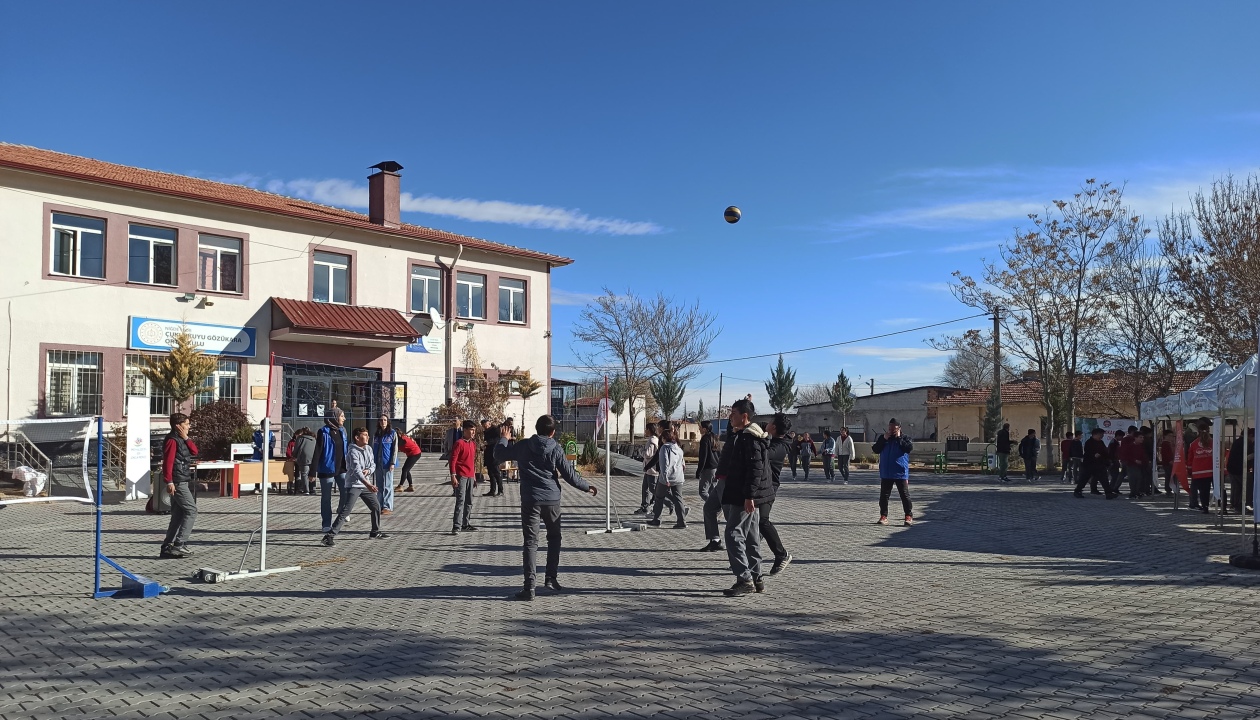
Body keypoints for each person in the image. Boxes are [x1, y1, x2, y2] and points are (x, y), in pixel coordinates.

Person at [495, 414, 597, 600]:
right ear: (553, 432)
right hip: (551, 500)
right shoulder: (556, 448)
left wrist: (504, 439)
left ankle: (529, 588)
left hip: (531, 499)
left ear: (536, 428)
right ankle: (551, 578)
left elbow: (499, 455)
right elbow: (569, 474)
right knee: (554, 538)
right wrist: (586, 487)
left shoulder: (524, 445)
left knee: (530, 542)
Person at [717, 398, 771, 596]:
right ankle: (757, 578)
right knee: (750, 537)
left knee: (733, 534)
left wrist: (749, 496)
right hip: (744, 493)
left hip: (744, 495)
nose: (730, 417)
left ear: (744, 416)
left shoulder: (750, 439)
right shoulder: (742, 435)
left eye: (734, 414)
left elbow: (755, 469)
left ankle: (744, 579)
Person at [321, 427, 387, 546]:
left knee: (376, 506)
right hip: (354, 485)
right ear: (357, 438)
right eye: (365, 435)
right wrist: (369, 484)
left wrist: (369, 471)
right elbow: (356, 471)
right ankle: (329, 536)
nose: (368, 437)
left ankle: (374, 531)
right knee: (346, 511)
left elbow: (373, 464)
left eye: (368, 434)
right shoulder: (352, 452)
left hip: (366, 484)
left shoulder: (369, 449)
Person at [159, 413, 199, 559]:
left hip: (181, 480)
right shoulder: (172, 441)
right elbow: (168, 462)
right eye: (187, 424)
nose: (189, 426)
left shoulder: (181, 439)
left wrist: (186, 438)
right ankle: (179, 545)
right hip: (177, 482)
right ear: (178, 425)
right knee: (191, 511)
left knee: (178, 514)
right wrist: (169, 481)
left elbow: (195, 451)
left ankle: (167, 546)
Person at [762, 413, 794, 576]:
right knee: (754, 525)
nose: (765, 424)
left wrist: (762, 438)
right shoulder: (775, 438)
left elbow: (763, 454)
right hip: (759, 487)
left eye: (769, 423)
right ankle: (747, 559)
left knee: (762, 521)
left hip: (769, 488)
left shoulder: (779, 446)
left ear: (773, 427)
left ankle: (781, 554)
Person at [309, 407, 349, 533]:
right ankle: (326, 523)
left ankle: (341, 510)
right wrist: (312, 472)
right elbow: (317, 451)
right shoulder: (323, 432)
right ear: (335, 417)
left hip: (342, 468)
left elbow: (346, 450)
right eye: (342, 416)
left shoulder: (342, 431)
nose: (344, 419)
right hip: (327, 468)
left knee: (346, 492)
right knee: (326, 498)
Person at [874, 418, 914, 525]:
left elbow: (909, 448)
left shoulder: (905, 438)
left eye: (894, 429)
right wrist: (883, 439)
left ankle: (908, 516)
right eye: (890, 428)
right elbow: (875, 449)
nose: (891, 431)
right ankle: (883, 516)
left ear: (899, 428)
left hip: (900, 472)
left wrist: (899, 438)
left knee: (904, 495)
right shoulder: (884, 438)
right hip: (886, 472)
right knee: (884, 496)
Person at [648, 425, 688, 528]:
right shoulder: (679, 449)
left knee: (659, 497)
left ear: (664, 438)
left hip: (667, 477)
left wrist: (665, 477)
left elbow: (664, 463)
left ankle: (656, 519)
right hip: (678, 477)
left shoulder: (664, 448)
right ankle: (681, 521)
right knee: (678, 498)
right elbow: (683, 464)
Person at [697, 421, 726, 552]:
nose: (699, 429)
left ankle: (717, 509)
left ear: (704, 429)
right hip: (716, 468)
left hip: (708, 468)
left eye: (699, 427)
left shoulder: (705, 439)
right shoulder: (715, 438)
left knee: (703, 491)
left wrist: (699, 470)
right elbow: (720, 455)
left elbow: (703, 456)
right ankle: (715, 540)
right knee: (713, 491)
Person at [448, 420, 479, 535]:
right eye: (471, 430)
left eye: (474, 431)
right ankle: (456, 526)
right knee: (460, 501)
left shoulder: (473, 443)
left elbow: (472, 461)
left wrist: (474, 476)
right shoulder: (459, 443)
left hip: (470, 476)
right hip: (461, 476)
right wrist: (453, 475)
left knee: (469, 501)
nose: (473, 433)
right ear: (465, 430)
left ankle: (465, 524)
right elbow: (453, 460)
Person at [372, 415, 399, 515]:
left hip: (387, 462)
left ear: (388, 422)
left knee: (388, 485)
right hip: (377, 462)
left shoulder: (392, 433)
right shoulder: (376, 434)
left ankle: (387, 506)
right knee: (379, 485)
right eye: (381, 420)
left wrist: (392, 462)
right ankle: (379, 504)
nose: (383, 422)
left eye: (385, 420)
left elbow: (395, 449)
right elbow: (372, 447)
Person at [1075, 427, 1109, 498]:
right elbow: (1088, 453)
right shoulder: (1089, 442)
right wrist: (1094, 455)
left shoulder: (1101, 442)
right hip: (1089, 464)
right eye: (1101, 435)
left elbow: (1105, 451)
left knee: (1104, 479)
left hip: (1099, 464)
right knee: (1084, 478)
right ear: (1095, 434)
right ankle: (1078, 491)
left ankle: (1108, 493)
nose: (1102, 436)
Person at [1188, 420, 1213, 513]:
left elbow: (1190, 458)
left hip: (1198, 471)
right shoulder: (1213, 442)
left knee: (1202, 491)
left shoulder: (1193, 444)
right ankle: (1223, 507)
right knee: (1211, 489)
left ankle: (1205, 507)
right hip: (1210, 470)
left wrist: (1189, 470)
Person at [634, 423, 660, 515]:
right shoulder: (653, 440)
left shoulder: (652, 441)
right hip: (648, 469)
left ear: (649, 430)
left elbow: (648, 454)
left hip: (651, 469)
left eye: (646, 429)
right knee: (645, 488)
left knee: (652, 489)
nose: (645, 431)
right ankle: (645, 506)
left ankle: (668, 503)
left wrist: (641, 451)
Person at [1226, 429, 1253, 514]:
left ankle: (1235, 504)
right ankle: (1240, 505)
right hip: (1240, 468)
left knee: (1236, 487)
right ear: (1250, 435)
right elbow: (1247, 457)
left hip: (1232, 468)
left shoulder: (1237, 441)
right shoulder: (1246, 443)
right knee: (1244, 488)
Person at [289, 428, 316, 495]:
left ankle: (306, 490)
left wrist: (294, 456)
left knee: (304, 474)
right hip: (313, 458)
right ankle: (312, 489)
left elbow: (296, 448)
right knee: (312, 473)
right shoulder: (313, 439)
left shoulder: (300, 438)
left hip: (304, 458)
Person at [482, 418, 503, 497]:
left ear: (489, 423)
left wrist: (488, 442)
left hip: (494, 454)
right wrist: (483, 447)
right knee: (490, 473)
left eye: (486, 425)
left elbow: (497, 439)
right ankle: (492, 490)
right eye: (483, 426)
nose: (485, 427)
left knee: (496, 473)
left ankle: (500, 490)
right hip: (488, 454)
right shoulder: (486, 432)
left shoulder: (495, 430)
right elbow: (486, 442)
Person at [1107, 429, 1126, 494]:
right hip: (1113, 461)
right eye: (1121, 436)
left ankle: (1113, 488)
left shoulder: (1115, 442)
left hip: (1115, 460)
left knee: (1116, 476)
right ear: (1118, 436)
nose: (1122, 438)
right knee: (1114, 476)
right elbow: (1111, 453)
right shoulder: (1113, 443)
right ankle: (1111, 488)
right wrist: (1111, 461)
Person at [1159, 429, 1175, 494]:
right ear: (1165, 436)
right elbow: (1165, 454)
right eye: (1169, 436)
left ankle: (1170, 488)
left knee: (1170, 476)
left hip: (1170, 462)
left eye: (1172, 436)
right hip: (1168, 463)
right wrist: (1169, 461)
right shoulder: (1165, 444)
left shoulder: (1170, 443)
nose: (1171, 437)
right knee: (1168, 476)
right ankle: (1168, 489)